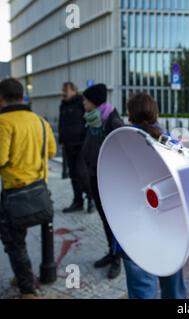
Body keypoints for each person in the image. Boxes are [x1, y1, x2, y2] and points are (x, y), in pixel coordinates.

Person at [119, 92, 186, 299]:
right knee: (173, 288)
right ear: (155, 112)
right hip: (170, 228)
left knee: (142, 290)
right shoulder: (171, 142)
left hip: (133, 229)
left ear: (130, 114)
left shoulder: (120, 143)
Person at [0, 78, 57, 298]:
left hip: (14, 192)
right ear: (21, 95)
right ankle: (22, 272)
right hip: (38, 190)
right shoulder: (39, 121)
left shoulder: (4, 122)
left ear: (2, 98)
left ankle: (27, 289)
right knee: (19, 238)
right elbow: (51, 151)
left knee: (13, 242)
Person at [81, 83, 124, 279]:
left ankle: (118, 258)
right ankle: (111, 251)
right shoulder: (92, 119)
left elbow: (123, 151)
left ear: (93, 102)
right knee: (104, 218)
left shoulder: (112, 121)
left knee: (114, 219)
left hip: (109, 179)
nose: (83, 103)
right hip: (94, 175)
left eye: (86, 100)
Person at [58, 82, 93, 213]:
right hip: (68, 144)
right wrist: (61, 139)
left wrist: (87, 141)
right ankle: (78, 201)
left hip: (81, 145)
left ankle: (91, 199)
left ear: (73, 90)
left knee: (82, 173)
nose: (63, 92)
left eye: (65, 90)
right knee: (73, 175)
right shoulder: (63, 104)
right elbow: (62, 123)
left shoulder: (81, 102)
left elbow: (89, 121)